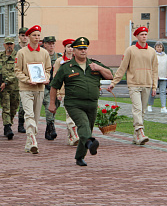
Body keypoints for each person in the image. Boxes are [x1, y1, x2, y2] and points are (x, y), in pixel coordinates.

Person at [49, 37, 113, 166]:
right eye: (80, 49)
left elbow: (110, 75)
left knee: (87, 130)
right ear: (74, 51)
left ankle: (80, 156)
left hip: (92, 103)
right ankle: (90, 143)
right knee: (83, 125)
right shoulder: (66, 67)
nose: (83, 51)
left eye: (85, 48)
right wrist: (52, 103)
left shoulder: (94, 64)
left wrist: (99, 69)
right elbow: (54, 86)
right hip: (74, 103)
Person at [108, 27, 158, 145]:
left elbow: (155, 70)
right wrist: (114, 82)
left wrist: (154, 86)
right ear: (137, 36)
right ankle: (140, 131)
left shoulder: (152, 51)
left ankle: (136, 136)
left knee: (142, 111)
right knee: (137, 108)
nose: (144, 36)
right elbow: (122, 68)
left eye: (145, 34)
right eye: (141, 34)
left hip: (147, 83)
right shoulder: (130, 50)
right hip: (134, 84)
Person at [14, 25, 51, 154]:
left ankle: (29, 143)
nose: (37, 38)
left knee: (35, 116)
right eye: (34, 35)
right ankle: (33, 140)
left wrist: (46, 78)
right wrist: (27, 80)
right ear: (28, 37)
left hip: (40, 88)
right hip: (26, 88)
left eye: (38, 35)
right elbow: (17, 71)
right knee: (28, 114)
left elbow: (47, 70)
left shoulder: (44, 52)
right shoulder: (22, 52)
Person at [53, 38, 79, 146]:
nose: (70, 49)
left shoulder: (77, 60)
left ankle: (71, 136)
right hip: (64, 92)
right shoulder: (59, 61)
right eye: (68, 47)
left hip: (76, 91)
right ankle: (75, 135)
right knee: (69, 114)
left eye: (72, 47)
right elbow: (56, 78)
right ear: (64, 48)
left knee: (75, 114)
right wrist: (58, 93)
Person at [0, 37, 19, 140]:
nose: (9, 46)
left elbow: (18, 71)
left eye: (11, 44)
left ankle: (9, 122)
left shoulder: (18, 56)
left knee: (14, 107)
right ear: (4, 45)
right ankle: (7, 126)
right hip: (3, 88)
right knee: (6, 107)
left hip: (15, 86)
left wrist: (7, 81)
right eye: (7, 44)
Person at [42, 36, 61, 141]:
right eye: (49, 43)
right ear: (45, 44)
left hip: (56, 86)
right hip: (45, 86)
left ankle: (48, 128)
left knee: (55, 107)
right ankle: (51, 127)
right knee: (49, 105)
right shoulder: (42, 56)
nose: (51, 45)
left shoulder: (58, 57)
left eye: (53, 43)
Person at [147, 41, 167, 113]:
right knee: (153, 91)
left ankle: (163, 107)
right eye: (158, 47)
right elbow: (150, 66)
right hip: (155, 77)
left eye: (160, 47)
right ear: (155, 47)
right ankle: (149, 105)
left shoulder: (165, 56)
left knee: (163, 92)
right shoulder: (153, 55)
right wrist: (154, 75)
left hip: (163, 77)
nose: (159, 48)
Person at [14, 27, 29, 133]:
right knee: (15, 103)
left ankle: (21, 124)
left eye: (26, 35)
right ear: (19, 36)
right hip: (15, 80)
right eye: (23, 35)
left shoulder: (29, 49)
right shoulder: (15, 49)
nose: (25, 37)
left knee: (24, 104)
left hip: (26, 79)